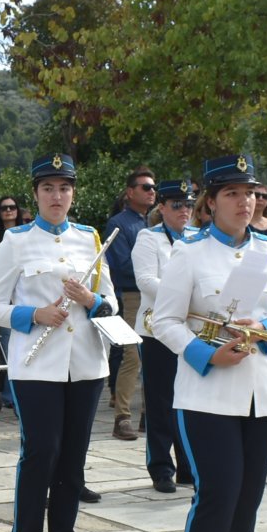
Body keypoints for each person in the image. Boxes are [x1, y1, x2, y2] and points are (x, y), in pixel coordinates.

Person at [152, 152, 267, 532]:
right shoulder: (189, 253)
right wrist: (205, 354)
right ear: (210, 203)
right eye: (233, 194)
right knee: (218, 493)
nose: (245, 201)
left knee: (249, 495)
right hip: (207, 394)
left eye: (251, 193)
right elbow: (165, 321)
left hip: (263, 390)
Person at [0, 154, 117, 532]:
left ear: (73, 194)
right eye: (48, 189)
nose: (56, 196)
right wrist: (33, 315)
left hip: (85, 364)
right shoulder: (16, 242)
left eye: (64, 188)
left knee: (73, 458)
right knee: (41, 451)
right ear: (36, 195)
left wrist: (90, 300)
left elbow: (110, 303)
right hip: (36, 364)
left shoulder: (90, 238)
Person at [132, 178, 200, 493]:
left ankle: (188, 466)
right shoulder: (149, 237)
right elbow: (146, 280)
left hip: (189, 328)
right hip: (156, 330)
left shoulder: (199, 238)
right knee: (160, 402)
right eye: (177, 205)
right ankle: (161, 467)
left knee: (189, 400)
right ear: (162, 208)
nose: (185, 210)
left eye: (189, 204)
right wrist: (182, 296)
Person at [103, 167, 155, 442]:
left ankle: (150, 413)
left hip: (160, 295)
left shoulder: (154, 223)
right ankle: (122, 416)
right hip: (134, 295)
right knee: (132, 356)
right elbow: (121, 265)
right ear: (130, 191)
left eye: (153, 187)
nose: (151, 192)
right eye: (145, 187)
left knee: (157, 356)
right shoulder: (119, 223)